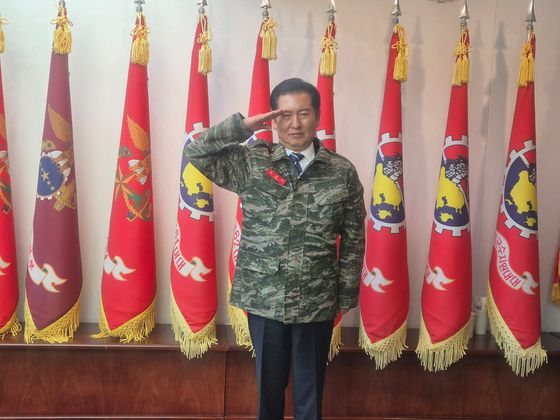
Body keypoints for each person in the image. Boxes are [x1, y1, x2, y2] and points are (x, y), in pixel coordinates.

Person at [184, 78, 366, 420]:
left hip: (316, 302)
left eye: (304, 113)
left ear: (318, 116)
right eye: (285, 115)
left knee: (310, 395)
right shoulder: (252, 162)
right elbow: (195, 151)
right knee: (268, 394)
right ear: (272, 119)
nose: (295, 124)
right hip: (264, 299)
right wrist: (244, 126)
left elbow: (355, 236)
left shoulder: (341, 172)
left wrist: (344, 296)